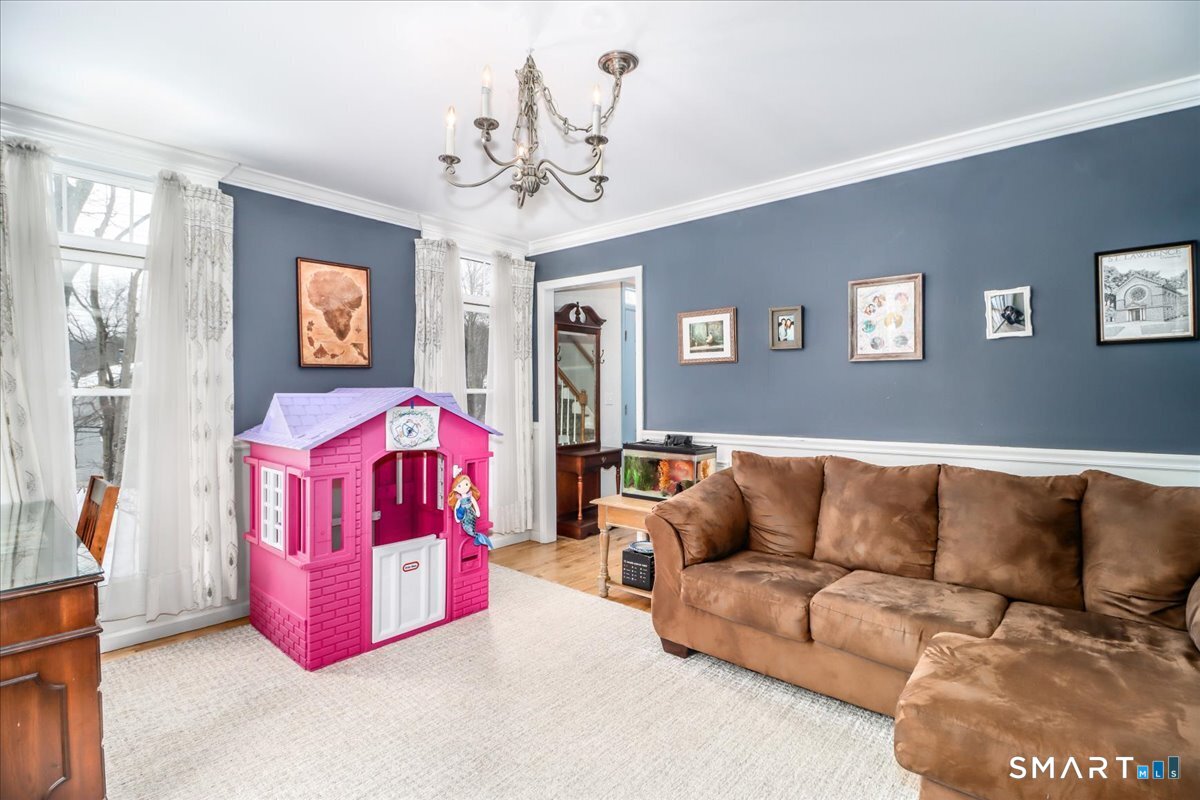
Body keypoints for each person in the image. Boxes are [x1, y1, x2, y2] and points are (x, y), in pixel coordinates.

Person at [447, 470, 492, 549]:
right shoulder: (459, 499)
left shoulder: (470, 496)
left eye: (466, 484)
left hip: (471, 514)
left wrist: (477, 512)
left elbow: (474, 504)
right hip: (465, 516)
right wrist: (457, 518)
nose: (464, 487)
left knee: (472, 526)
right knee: (468, 528)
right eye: (460, 486)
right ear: (455, 489)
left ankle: (477, 536)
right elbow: (456, 508)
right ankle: (477, 536)